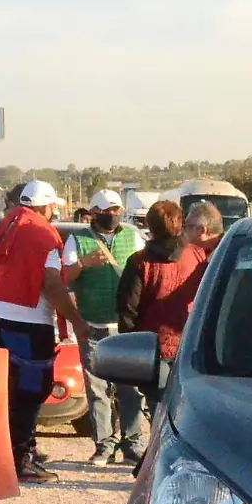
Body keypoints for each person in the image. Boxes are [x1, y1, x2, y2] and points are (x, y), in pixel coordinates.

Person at [0, 180, 90, 484]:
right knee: (30, 390)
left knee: (4, 390)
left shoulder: (4, 227)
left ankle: (6, 453)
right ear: (44, 207)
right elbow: (51, 283)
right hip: (24, 319)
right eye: (53, 207)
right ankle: (19, 458)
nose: (54, 212)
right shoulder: (43, 234)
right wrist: (76, 320)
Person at [64, 190, 147, 467]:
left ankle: (133, 444)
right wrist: (84, 264)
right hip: (92, 324)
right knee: (97, 389)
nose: (112, 215)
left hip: (124, 326)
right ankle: (104, 445)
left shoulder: (132, 236)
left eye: (116, 210)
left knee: (130, 389)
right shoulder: (77, 240)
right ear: (94, 213)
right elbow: (64, 277)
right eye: (106, 210)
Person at [117, 200, 204, 419]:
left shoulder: (139, 262)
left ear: (150, 226)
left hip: (153, 351)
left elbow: (128, 310)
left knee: (160, 417)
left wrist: (131, 351)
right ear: (179, 223)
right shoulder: (197, 256)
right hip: (191, 348)